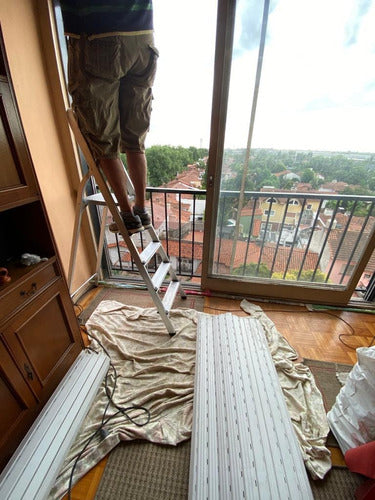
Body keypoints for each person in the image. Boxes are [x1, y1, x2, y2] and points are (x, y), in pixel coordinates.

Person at [60, 0, 158, 234]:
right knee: (135, 137)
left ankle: (127, 215)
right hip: (143, 39)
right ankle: (141, 209)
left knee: (103, 136)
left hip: (98, 36)